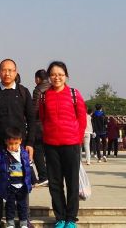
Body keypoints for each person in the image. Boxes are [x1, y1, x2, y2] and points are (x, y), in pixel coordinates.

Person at [0, 59, 36, 228]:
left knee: (23, 182)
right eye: (4, 70)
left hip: (19, 146)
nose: (7, 73)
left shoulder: (23, 92)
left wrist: (30, 143)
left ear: (16, 72)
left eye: (11, 70)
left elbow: (32, 119)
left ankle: (24, 219)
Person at [38, 61, 87, 228]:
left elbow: (82, 119)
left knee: (72, 182)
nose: (56, 77)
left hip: (71, 144)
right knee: (55, 183)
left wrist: (77, 139)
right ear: (49, 77)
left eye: (60, 74)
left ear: (66, 76)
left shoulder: (74, 94)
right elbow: (43, 118)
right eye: (53, 74)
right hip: (51, 145)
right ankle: (60, 217)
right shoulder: (44, 96)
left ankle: (71, 218)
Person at [0, 127, 33, 228]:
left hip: (22, 185)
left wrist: (33, 180)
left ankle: (23, 222)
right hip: (9, 185)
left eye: (16, 143)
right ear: (6, 142)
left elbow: (29, 167)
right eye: (11, 144)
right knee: (10, 205)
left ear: (20, 141)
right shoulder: (2, 154)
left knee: (22, 205)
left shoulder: (24, 154)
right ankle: (10, 222)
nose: (13, 146)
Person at [31, 68, 50, 186]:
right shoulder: (53, 87)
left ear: (38, 79)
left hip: (39, 125)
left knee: (37, 150)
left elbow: (35, 108)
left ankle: (43, 176)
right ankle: (52, 176)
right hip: (51, 125)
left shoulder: (38, 89)